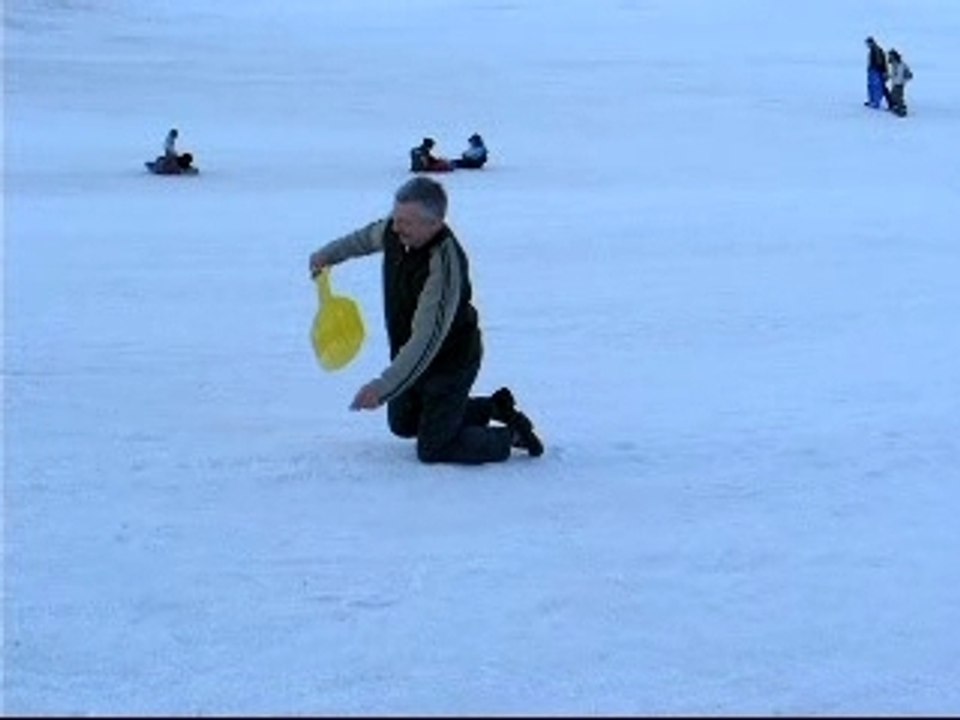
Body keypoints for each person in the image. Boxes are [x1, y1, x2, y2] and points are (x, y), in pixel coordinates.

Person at [307, 176, 544, 464]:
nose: (396, 227)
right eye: (395, 217)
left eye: (406, 222)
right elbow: (362, 239)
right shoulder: (394, 232)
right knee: (404, 424)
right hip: (411, 352)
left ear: (434, 224)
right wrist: (327, 255)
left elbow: (426, 340)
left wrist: (382, 387)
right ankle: (493, 407)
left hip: (449, 361)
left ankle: (509, 436)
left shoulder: (443, 266)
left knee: (435, 449)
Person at [864, 36, 892, 109]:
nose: (867, 45)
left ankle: (876, 102)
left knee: (878, 87)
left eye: (868, 43)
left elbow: (880, 62)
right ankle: (872, 101)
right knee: (872, 87)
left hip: (876, 72)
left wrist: (883, 72)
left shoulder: (877, 50)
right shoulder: (873, 50)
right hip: (874, 71)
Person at [886, 48, 913, 117]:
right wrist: (889, 76)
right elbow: (894, 73)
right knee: (894, 96)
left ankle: (901, 109)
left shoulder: (900, 64)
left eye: (891, 55)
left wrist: (899, 81)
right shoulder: (894, 63)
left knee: (897, 96)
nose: (890, 57)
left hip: (899, 83)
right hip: (896, 83)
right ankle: (899, 107)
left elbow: (900, 74)